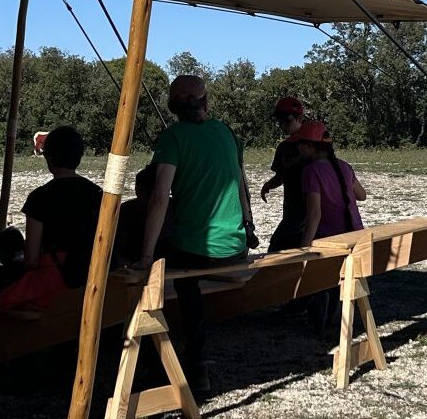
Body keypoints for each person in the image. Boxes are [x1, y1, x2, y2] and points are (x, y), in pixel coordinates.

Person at [133, 75, 255, 385]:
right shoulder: (226, 132)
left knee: (163, 272)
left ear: (173, 106)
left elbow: (160, 196)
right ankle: (192, 360)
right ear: (205, 101)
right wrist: (248, 225)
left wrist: (146, 256)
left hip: (198, 252)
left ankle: (166, 358)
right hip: (235, 248)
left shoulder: (173, 138)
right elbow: (242, 184)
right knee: (185, 271)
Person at [290, 122, 366, 332]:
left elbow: (314, 214)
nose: (299, 149)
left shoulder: (311, 171)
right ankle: (333, 317)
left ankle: (321, 321)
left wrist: (303, 249)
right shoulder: (344, 166)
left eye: (301, 144)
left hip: (330, 239)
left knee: (318, 280)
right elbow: (362, 195)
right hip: (355, 235)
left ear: (311, 146)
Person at [20, 126, 101, 289]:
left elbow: (32, 260)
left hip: (55, 284)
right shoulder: (98, 194)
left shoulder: (38, 198)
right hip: (93, 279)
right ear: (79, 156)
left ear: (48, 157)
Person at [259, 97, 311, 253]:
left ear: (300, 118)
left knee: (276, 252)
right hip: (292, 211)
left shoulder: (314, 144)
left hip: (305, 213)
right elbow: (281, 176)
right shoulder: (283, 147)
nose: (282, 125)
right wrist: (269, 185)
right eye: (279, 121)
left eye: (287, 121)